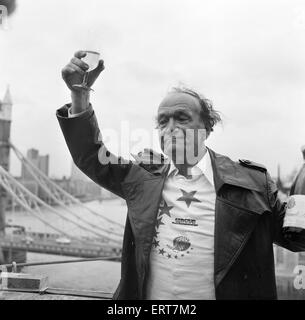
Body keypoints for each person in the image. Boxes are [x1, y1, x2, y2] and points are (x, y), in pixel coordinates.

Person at [56, 50, 305, 300]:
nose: (171, 128)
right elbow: (90, 156)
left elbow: (297, 237)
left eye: (182, 118)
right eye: (162, 122)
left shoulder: (253, 184)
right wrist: (80, 94)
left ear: (207, 129)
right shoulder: (141, 177)